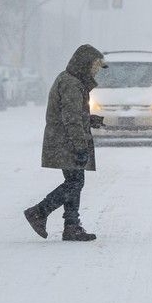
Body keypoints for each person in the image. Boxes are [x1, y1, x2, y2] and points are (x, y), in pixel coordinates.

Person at [24, 44, 107, 241]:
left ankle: (71, 226)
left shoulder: (73, 80)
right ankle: (39, 211)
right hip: (66, 141)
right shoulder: (71, 84)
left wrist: (89, 118)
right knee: (75, 182)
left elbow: (73, 114)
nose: (96, 70)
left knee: (74, 181)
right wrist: (79, 146)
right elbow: (71, 118)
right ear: (85, 63)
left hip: (64, 138)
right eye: (95, 65)